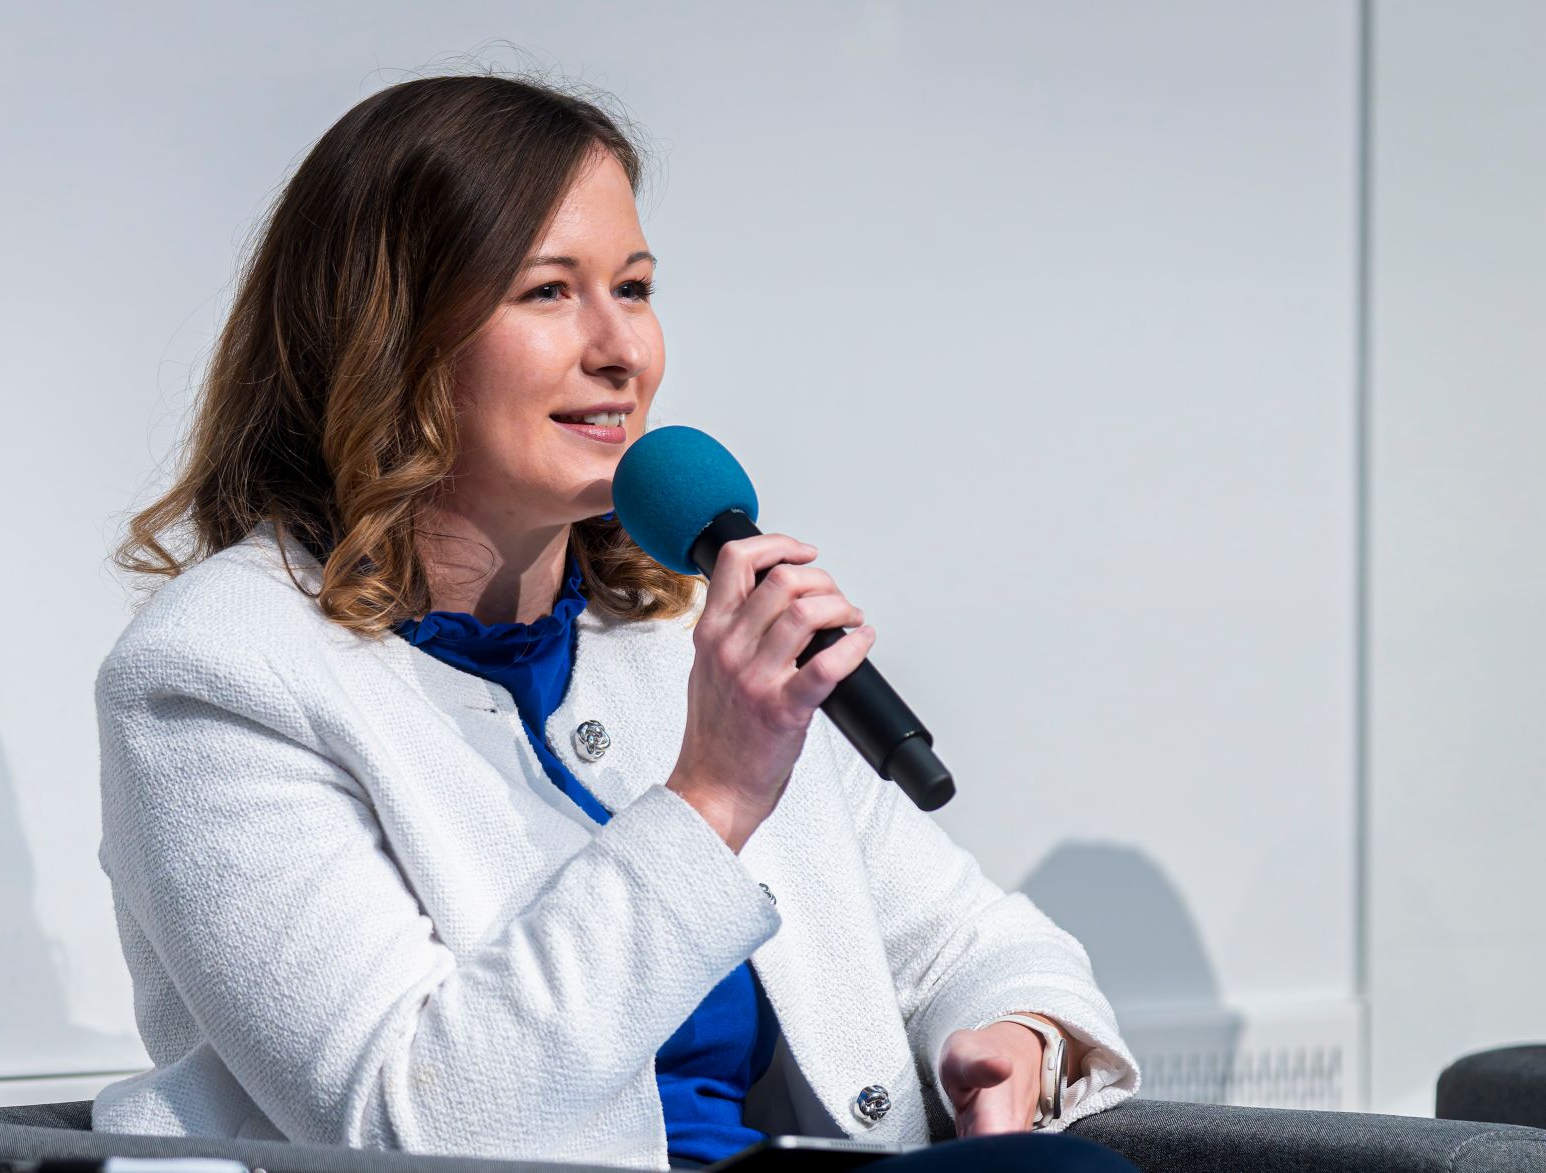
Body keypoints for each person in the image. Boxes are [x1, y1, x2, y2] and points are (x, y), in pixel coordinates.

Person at [92, 71, 1142, 1172]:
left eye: (633, 288)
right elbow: (420, 1130)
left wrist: (1010, 1035)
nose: (622, 352)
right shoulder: (214, 677)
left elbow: (979, 943)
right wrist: (714, 795)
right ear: (388, 336)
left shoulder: (661, 639)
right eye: (548, 293)